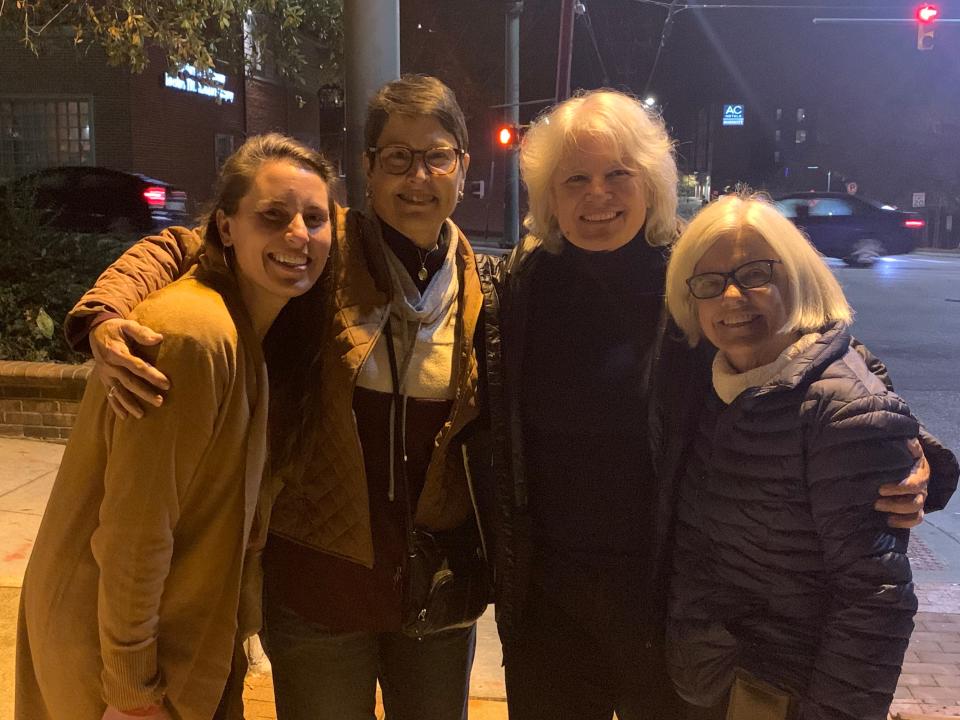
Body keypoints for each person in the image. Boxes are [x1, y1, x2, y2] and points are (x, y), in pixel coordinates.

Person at [480, 89, 955, 720]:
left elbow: (817, 353)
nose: (598, 195)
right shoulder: (523, 286)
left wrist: (916, 452)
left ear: (651, 181)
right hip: (547, 599)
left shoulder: (698, 269)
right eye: (575, 179)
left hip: (674, 600)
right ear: (548, 197)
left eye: (618, 174)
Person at [59, 75, 487, 720]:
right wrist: (104, 312)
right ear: (368, 169)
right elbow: (185, 243)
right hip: (318, 587)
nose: (418, 176)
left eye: (436, 155)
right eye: (397, 157)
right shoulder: (322, 243)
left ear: (463, 165)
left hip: (435, 593)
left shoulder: (488, 286)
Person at [15, 133, 336, 720]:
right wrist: (132, 689)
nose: (298, 235)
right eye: (272, 215)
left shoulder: (248, 324)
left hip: (183, 644)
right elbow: (137, 531)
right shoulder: (192, 336)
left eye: (315, 218)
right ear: (225, 228)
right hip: (122, 664)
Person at [663, 193, 959, 719]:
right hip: (721, 679)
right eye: (709, 284)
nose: (731, 296)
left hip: (786, 692)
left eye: (754, 274)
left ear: (797, 278)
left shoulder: (833, 407)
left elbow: (875, 602)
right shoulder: (722, 379)